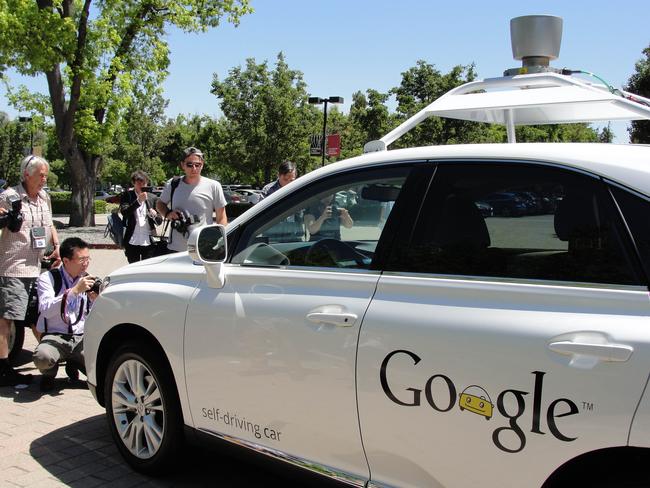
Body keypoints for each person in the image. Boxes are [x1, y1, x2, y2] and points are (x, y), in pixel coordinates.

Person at [0, 155, 60, 387]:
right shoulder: (9, 196)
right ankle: (3, 368)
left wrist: (56, 246)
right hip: (14, 267)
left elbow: (50, 223)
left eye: (46, 175)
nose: (44, 179)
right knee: (7, 319)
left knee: (39, 316)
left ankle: (50, 360)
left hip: (38, 266)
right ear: (27, 174)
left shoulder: (44, 197)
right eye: (41, 175)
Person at [32, 237, 97, 392]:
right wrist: (74, 292)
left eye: (88, 258)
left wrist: (95, 301)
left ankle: (74, 362)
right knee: (42, 357)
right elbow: (46, 309)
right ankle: (49, 374)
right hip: (55, 336)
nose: (86, 263)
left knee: (102, 365)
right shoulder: (48, 278)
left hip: (81, 337)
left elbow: (91, 314)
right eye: (82, 259)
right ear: (66, 261)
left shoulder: (86, 279)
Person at [156, 147, 228, 253]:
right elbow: (160, 204)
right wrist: (168, 214)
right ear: (182, 165)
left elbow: (221, 217)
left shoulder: (214, 186)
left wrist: (218, 241)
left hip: (203, 248)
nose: (194, 168)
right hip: (176, 249)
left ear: (202, 165)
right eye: (189, 164)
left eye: (197, 165)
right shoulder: (173, 183)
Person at [119, 170, 163, 263]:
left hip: (148, 240)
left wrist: (154, 215)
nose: (142, 186)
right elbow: (125, 212)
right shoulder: (127, 195)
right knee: (132, 268)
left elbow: (159, 221)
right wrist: (138, 201)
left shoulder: (153, 198)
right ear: (133, 183)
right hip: (131, 239)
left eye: (144, 183)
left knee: (146, 269)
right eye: (139, 183)